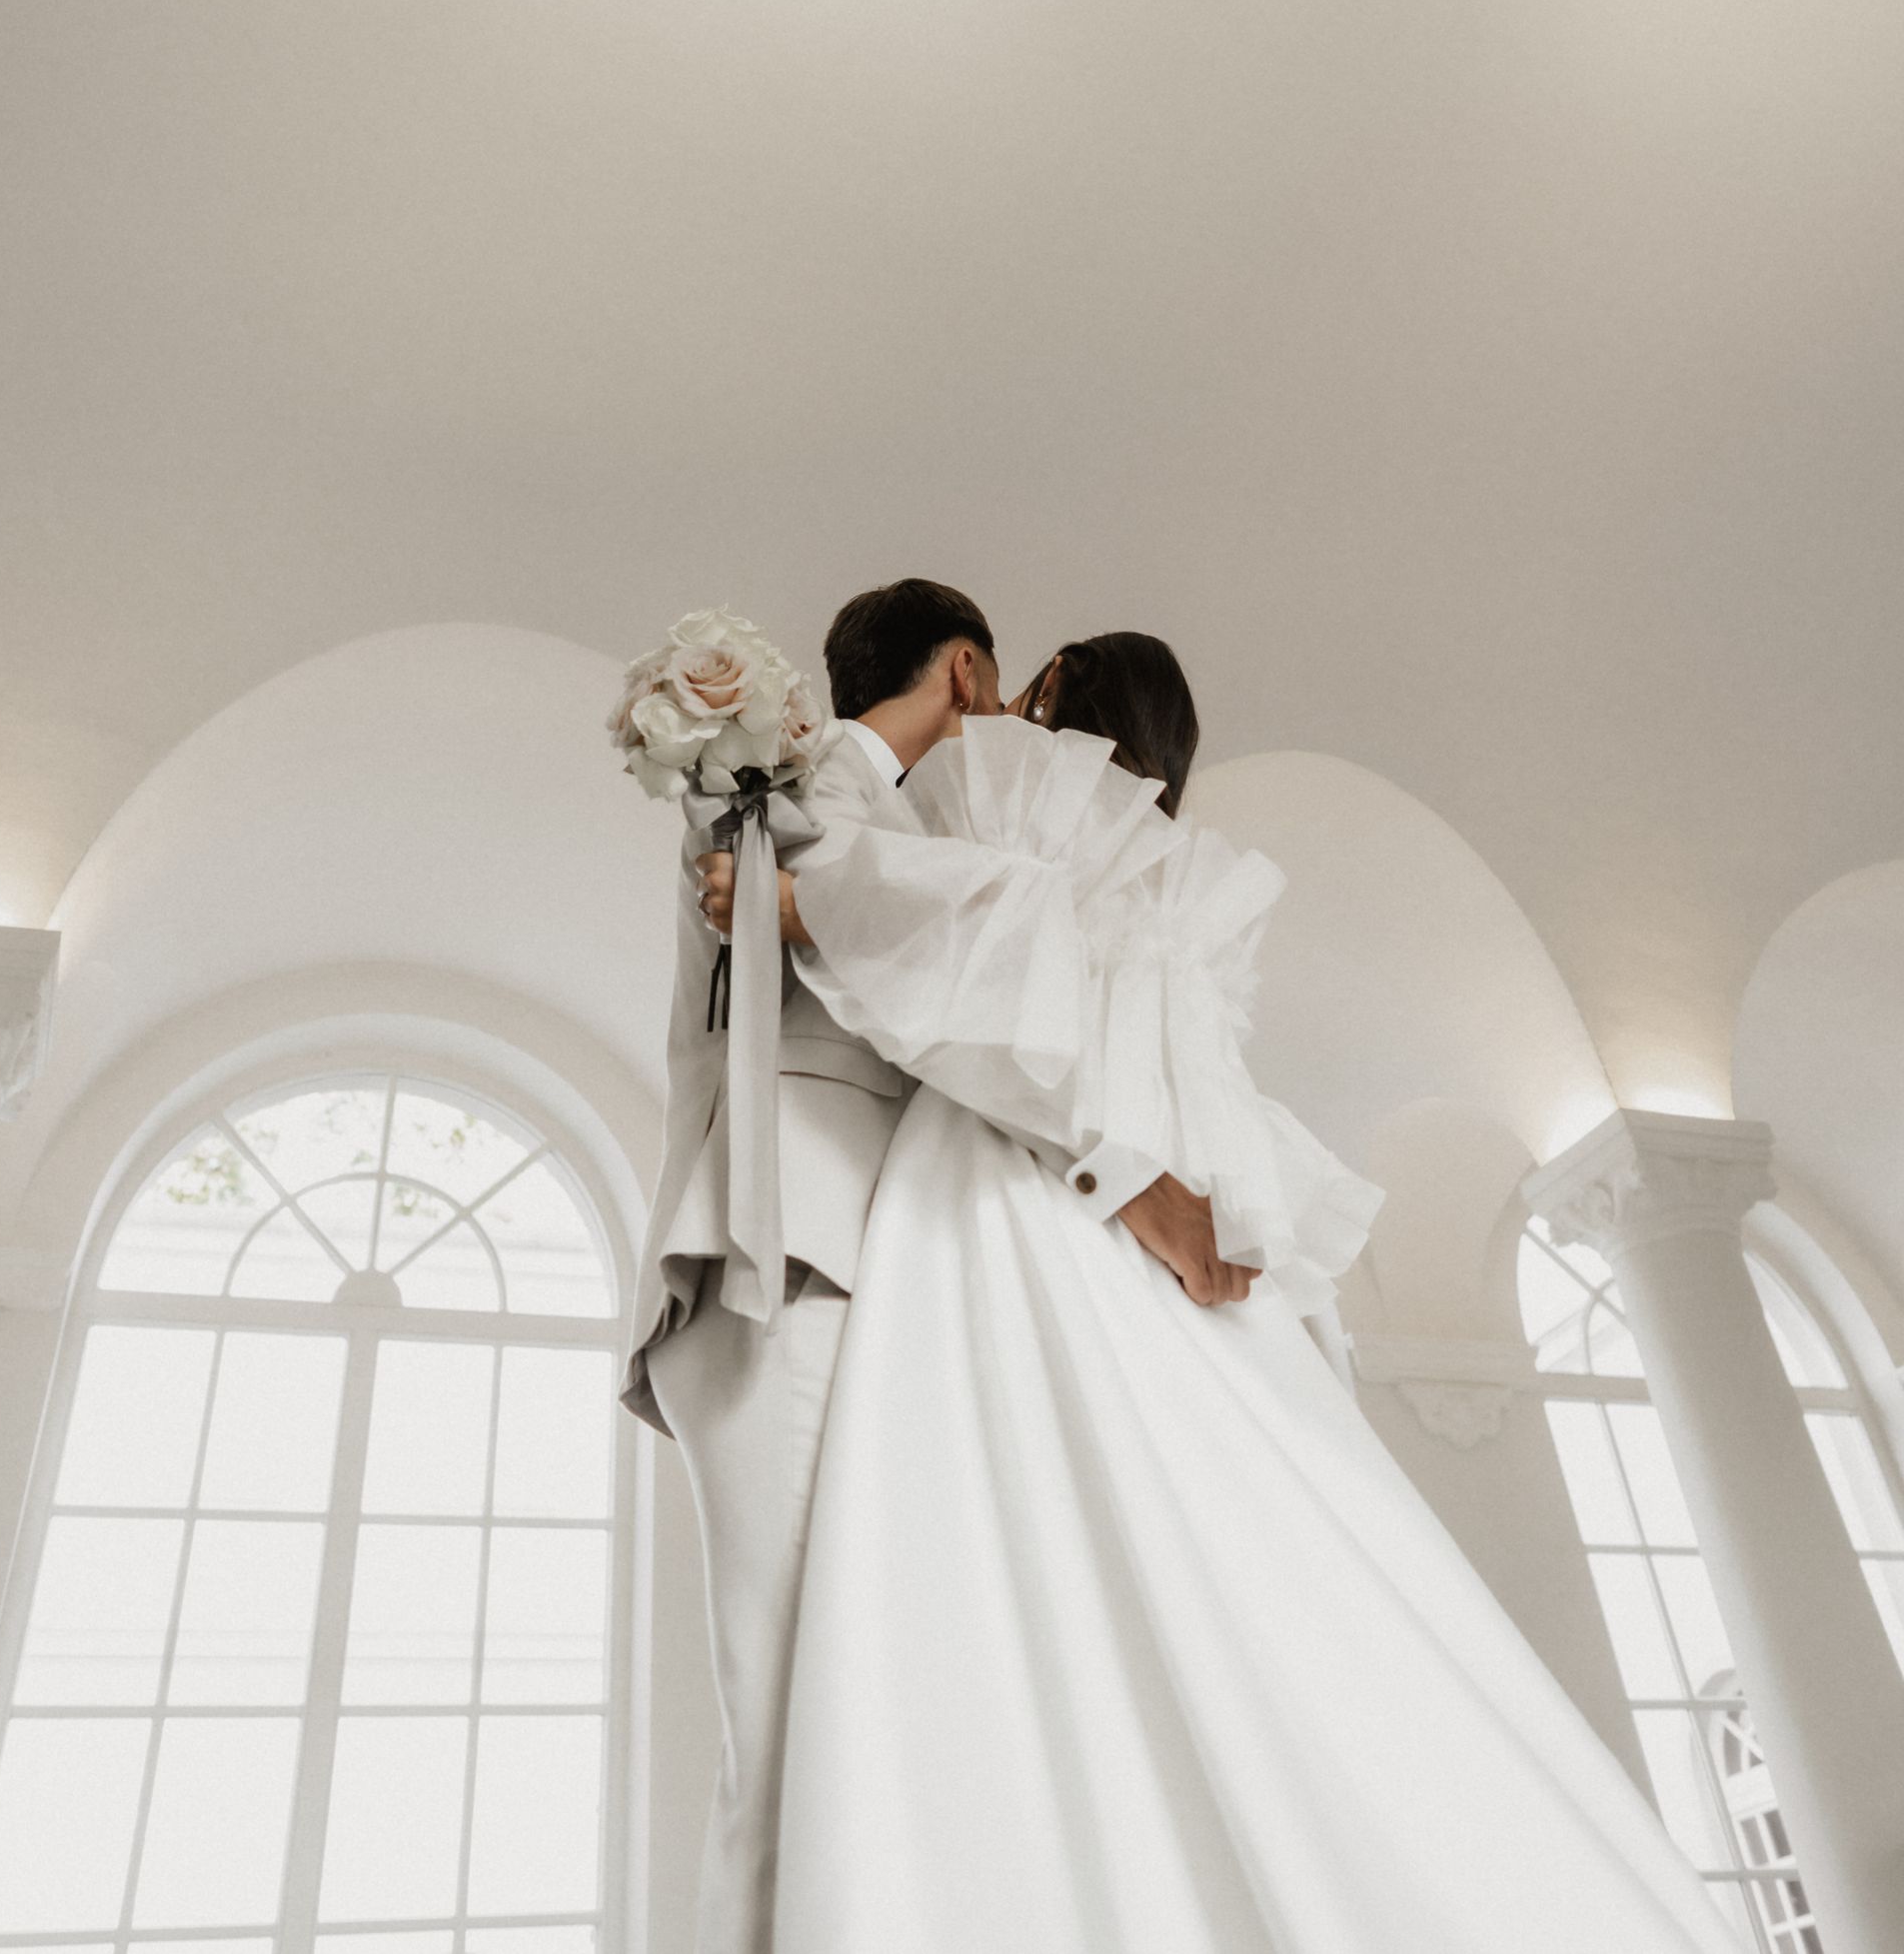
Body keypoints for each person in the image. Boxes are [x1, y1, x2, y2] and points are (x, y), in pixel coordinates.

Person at [765, 634, 1738, 1954]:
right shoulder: (1189, 887)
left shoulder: (1012, 785)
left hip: (1024, 1190)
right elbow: (1204, 1100)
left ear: (1043, 698)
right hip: (1188, 1242)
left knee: (1005, 1556)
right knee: (1273, 1566)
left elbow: (945, 969)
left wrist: (798, 894)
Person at [626, 583, 1244, 1954]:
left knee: (886, 1714)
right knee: (794, 1728)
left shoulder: (905, 830)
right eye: (1016, 695)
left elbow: (986, 984)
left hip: (880, 1278)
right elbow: (933, 974)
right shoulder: (794, 791)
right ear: (968, 668)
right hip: (783, 1251)